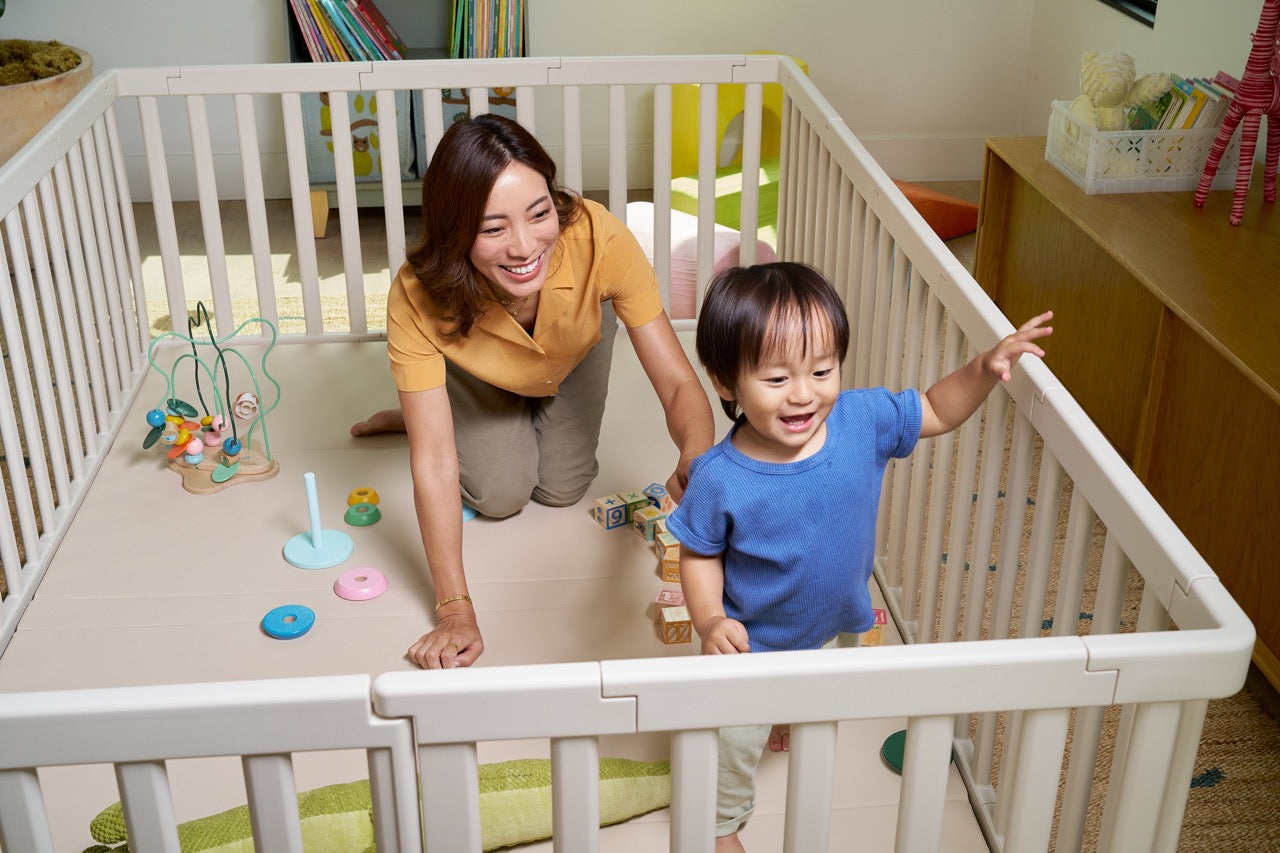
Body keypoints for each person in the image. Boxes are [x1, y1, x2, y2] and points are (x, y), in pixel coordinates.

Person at [663, 262, 1052, 852]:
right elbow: (698, 554)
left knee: (816, 692)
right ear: (725, 383)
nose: (804, 394)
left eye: (822, 370)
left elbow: (937, 410)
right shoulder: (719, 476)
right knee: (730, 743)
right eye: (776, 379)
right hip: (751, 644)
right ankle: (719, 827)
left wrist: (983, 368)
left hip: (838, 619)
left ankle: (789, 714)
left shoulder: (861, 421)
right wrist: (710, 620)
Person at [369, 114, 714, 670]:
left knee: (564, 489)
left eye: (539, 213)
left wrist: (698, 456)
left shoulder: (600, 235)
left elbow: (676, 381)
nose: (525, 245)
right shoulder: (414, 293)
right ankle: (423, 406)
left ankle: (431, 406)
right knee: (502, 497)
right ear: (457, 231)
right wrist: (455, 607)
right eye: (492, 228)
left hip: (571, 357)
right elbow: (434, 463)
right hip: (485, 375)